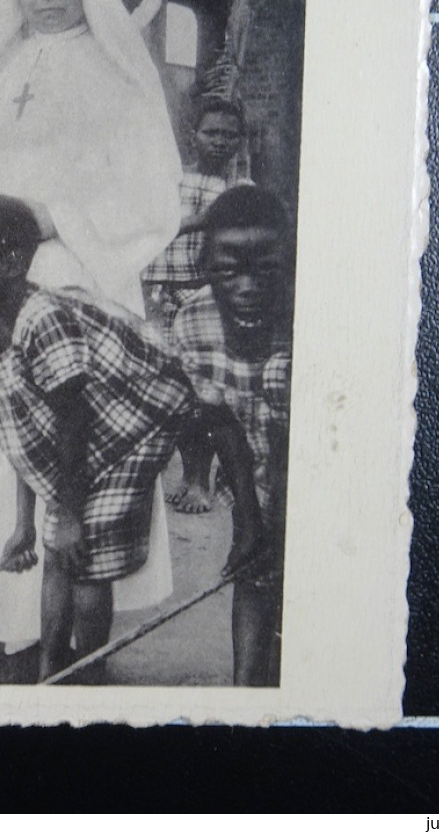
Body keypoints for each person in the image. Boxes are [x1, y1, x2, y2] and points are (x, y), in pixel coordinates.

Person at [0, 0, 183, 683]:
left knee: (72, 465)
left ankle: (75, 647)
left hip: (75, 282)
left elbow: (150, 196)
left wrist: (48, 218)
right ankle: (10, 635)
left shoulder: (118, 77)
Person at [0, 194, 196, 682]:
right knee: (57, 549)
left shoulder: (44, 320)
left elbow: (73, 423)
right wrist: (24, 525)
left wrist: (71, 512)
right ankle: (52, 668)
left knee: (85, 555)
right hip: (83, 443)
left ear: (11, 263)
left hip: (130, 436)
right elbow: (26, 439)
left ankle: (86, 668)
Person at [170, 185, 291, 686]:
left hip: (324, 477)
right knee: (255, 573)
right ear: (204, 266)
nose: (246, 286)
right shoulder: (194, 322)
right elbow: (220, 422)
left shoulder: (318, 316)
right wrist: (249, 521)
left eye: (266, 270)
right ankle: (245, 697)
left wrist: (281, 521)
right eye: (228, 270)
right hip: (257, 469)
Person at [144, 95, 255, 513]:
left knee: (206, 394)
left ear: (240, 142)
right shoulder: (171, 181)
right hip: (162, 293)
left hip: (208, 299)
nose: (220, 142)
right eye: (211, 133)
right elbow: (150, 233)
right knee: (168, 390)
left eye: (229, 135)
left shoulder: (241, 190)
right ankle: (173, 472)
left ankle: (198, 478)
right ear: (194, 137)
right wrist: (195, 221)